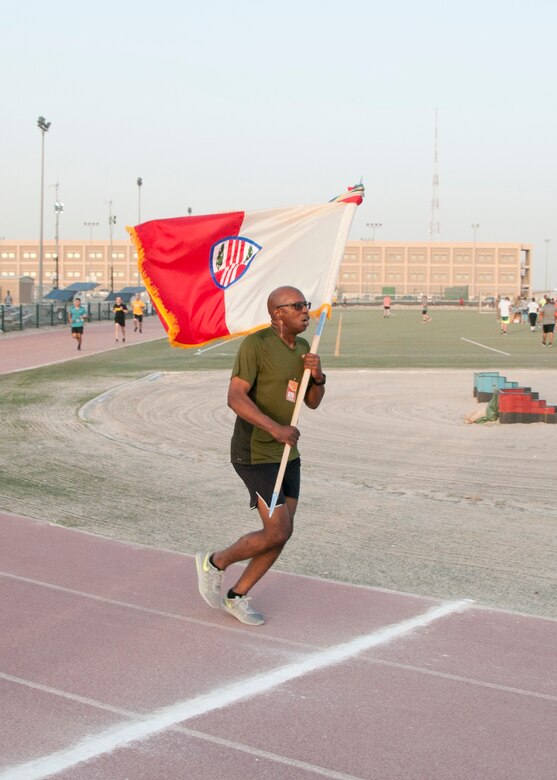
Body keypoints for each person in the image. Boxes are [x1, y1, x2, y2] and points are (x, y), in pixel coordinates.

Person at [195, 286, 326, 626]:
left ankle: (237, 596)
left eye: (305, 305)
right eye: (297, 306)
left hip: (287, 452)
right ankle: (215, 562)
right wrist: (274, 428)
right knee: (276, 531)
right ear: (277, 313)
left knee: (282, 531)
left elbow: (311, 401)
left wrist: (318, 376)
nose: (305, 310)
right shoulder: (255, 345)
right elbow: (235, 397)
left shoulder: (303, 347)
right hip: (255, 451)